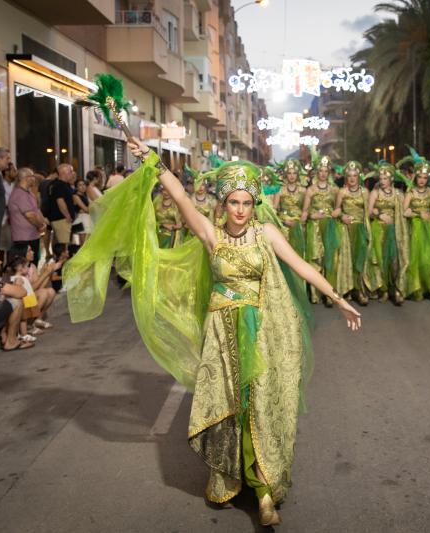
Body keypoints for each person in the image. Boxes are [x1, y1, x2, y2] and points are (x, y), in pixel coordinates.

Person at [65, 139, 361, 527]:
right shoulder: (211, 235)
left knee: (258, 404)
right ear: (223, 204)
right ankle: (226, 478)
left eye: (246, 203)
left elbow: (302, 267)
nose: (240, 210)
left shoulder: (266, 234)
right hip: (221, 331)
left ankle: (263, 491)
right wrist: (151, 159)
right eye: (233, 203)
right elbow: (180, 196)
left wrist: (337, 299)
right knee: (228, 406)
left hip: (259, 330)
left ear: (254, 205)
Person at [400, 154, 430, 303]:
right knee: (416, 259)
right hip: (416, 229)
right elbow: (404, 211)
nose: (422, 180)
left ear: (428, 179)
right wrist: (419, 213)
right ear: (415, 178)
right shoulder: (411, 193)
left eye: (425, 178)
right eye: (419, 177)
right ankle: (417, 288)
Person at [364, 162, 408, 305]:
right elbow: (369, 212)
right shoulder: (375, 193)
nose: (382, 181)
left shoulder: (399, 194)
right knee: (381, 260)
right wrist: (379, 214)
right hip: (379, 230)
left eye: (384, 178)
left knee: (395, 261)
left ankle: (396, 289)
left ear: (391, 179)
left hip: (394, 231)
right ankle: (382, 290)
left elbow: (403, 212)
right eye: (380, 178)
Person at [301, 154, 340, 305]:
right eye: (321, 171)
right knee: (315, 259)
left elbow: (338, 209)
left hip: (330, 227)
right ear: (317, 172)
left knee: (330, 259)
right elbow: (305, 210)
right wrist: (311, 215)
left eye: (326, 171)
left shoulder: (335, 190)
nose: (323, 174)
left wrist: (336, 213)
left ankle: (330, 294)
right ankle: (315, 294)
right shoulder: (311, 190)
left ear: (329, 173)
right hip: (315, 228)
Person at [332, 160, 371, 305]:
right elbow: (337, 211)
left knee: (360, 259)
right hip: (346, 230)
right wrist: (342, 216)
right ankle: (348, 288)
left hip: (360, 229)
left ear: (358, 176)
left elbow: (367, 212)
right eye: (349, 176)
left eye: (355, 175)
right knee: (347, 259)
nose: (352, 178)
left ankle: (360, 290)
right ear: (346, 178)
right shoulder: (342, 192)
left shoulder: (365, 192)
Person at [7, 167, 47, 266]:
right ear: (26, 178)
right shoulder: (20, 194)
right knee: (27, 266)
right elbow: (30, 216)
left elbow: (36, 210)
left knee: (33, 265)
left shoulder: (28, 192)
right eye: (32, 176)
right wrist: (40, 225)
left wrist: (44, 223)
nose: (34, 178)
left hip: (32, 236)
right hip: (24, 238)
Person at [273, 159, 306, 257]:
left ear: (298, 175)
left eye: (294, 173)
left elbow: (306, 209)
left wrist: (304, 216)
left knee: (299, 255)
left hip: (299, 226)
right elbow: (274, 211)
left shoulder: (303, 190)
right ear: (285, 175)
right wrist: (283, 222)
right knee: (285, 255)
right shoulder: (280, 190)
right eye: (289, 173)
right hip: (284, 226)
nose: (292, 176)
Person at [46, 164, 77, 245]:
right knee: (64, 245)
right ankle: (63, 257)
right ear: (64, 173)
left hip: (63, 219)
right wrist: (67, 216)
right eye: (70, 171)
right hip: (62, 219)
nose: (72, 173)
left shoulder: (65, 184)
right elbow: (60, 202)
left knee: (64, 243)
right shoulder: (59, 185)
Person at [72, 179, 92, 245]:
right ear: (76, 187)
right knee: (83, 244)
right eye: (80, 185)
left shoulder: (85, 195)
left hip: (87, 218)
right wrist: (88, 209)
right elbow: (86, 209)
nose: (83, 186)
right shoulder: (75, 196)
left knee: (87, 242)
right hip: (81, 219)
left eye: (84, 184)